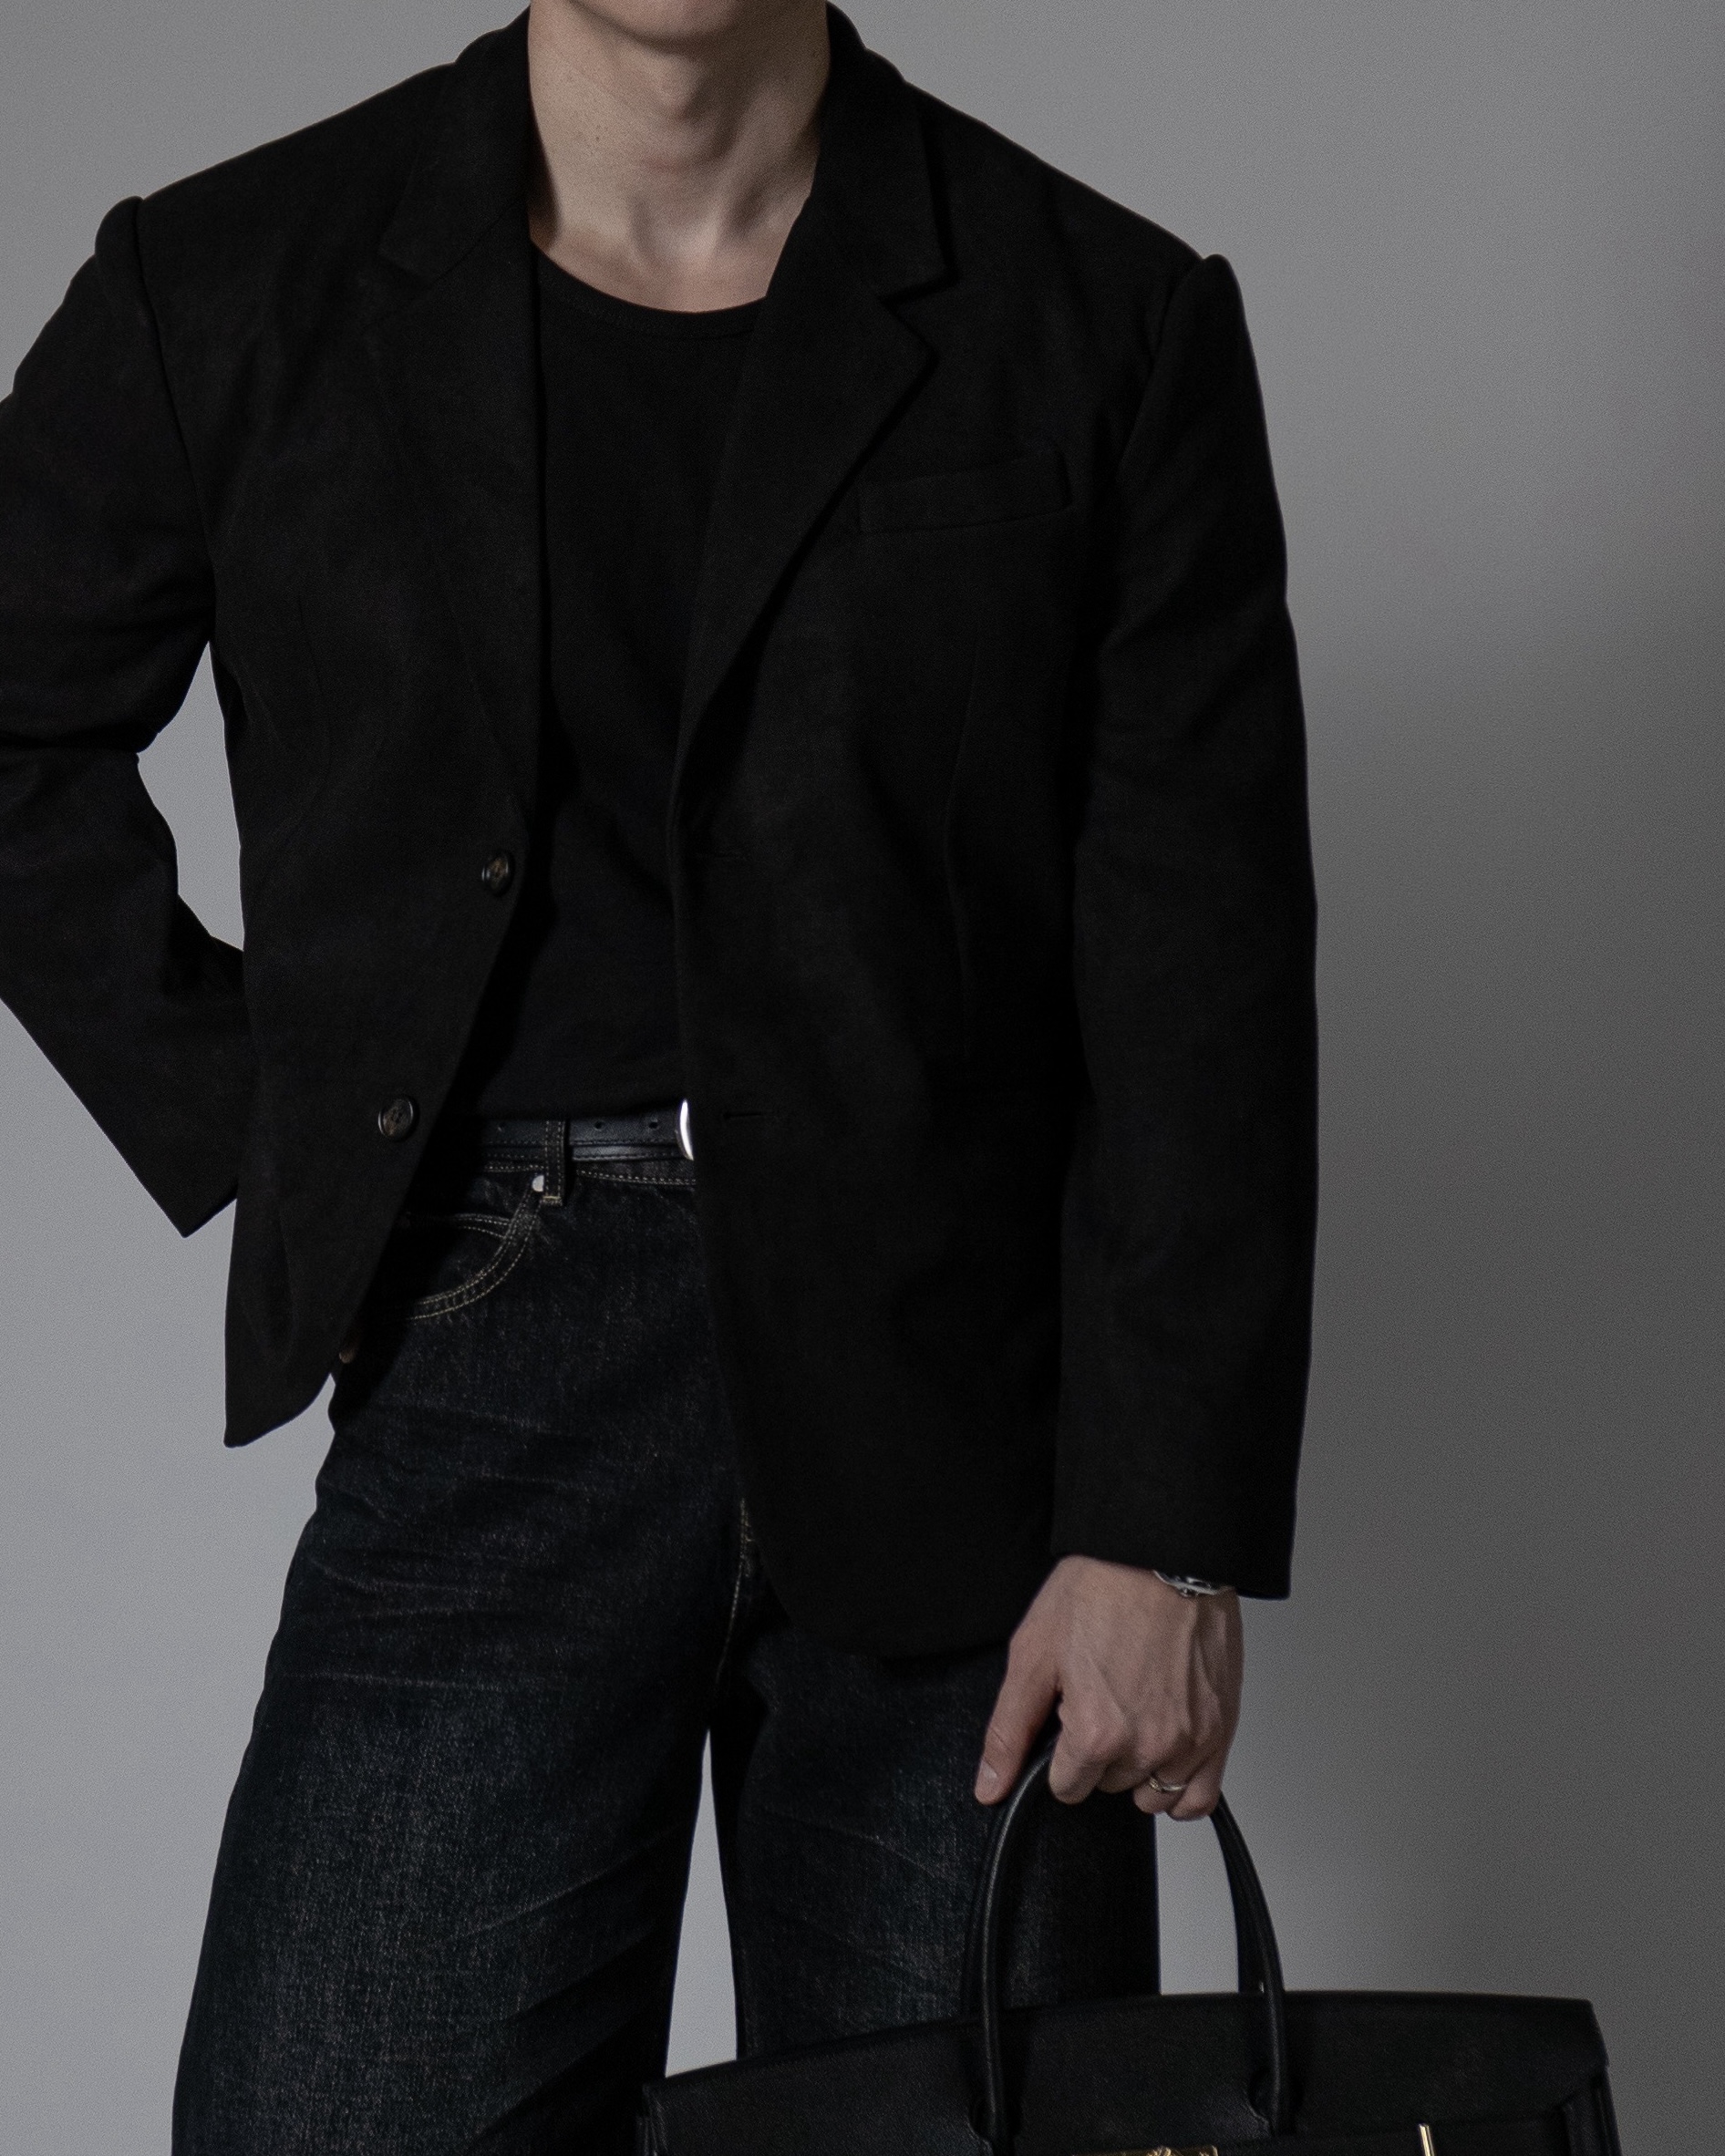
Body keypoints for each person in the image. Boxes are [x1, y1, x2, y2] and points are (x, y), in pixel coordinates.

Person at [0, 0, 1317, 2147]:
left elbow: (1203, 968)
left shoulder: (1101, 316)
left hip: (966, 1413)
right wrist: (285, 1119)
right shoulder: (236, 283)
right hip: (497, 1343)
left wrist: (1166, 1537)